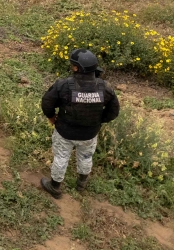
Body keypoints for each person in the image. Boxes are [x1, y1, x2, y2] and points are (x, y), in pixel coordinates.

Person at [40, 49, 120, 198]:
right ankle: (81, 184)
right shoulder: (105, 87)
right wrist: (97, 121)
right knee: (86, 157)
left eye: (73, 65)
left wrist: (51, 117)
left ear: (77, 68)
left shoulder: (64, 85)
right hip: (89, 134)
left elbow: (47, 103)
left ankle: (55, 187)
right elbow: (114, 112)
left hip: (65, 132)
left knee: (61, 158)